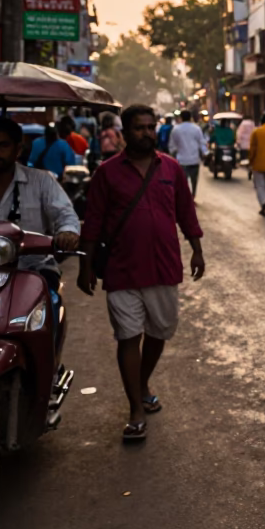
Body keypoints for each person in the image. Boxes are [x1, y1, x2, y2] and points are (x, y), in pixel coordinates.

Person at [79, 105, 204, 442]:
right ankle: (135, 408)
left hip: (163, 266)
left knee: (159, 332)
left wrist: (197, 249)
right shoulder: (107, 173)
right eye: (139, 128)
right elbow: (92, 222)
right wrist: (86, 265)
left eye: (151, 127)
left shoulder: (172, 169)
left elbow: (185, 212)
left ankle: (143, 382)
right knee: (128, 336)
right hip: (121, 268)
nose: (147, 133)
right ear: (125, 132)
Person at [0, 116, 82, 352]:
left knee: (49, 307)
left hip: (31, 267)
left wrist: (67, 233)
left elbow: (66, 215)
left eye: (2, 145)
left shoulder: (42, 182)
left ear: (17, 149)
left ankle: (47, 368)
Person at [168, 109, 207, 197]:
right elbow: (202, 142)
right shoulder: (196, 128)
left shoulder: (176, 129)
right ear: (191, 117)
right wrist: (205, 153)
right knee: (194, 181)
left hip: (181, 160)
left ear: (181, 117)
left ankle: (185, 199)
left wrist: (172, 155)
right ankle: (193, 197)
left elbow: (172, 146)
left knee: (182, 183)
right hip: (194, 160)